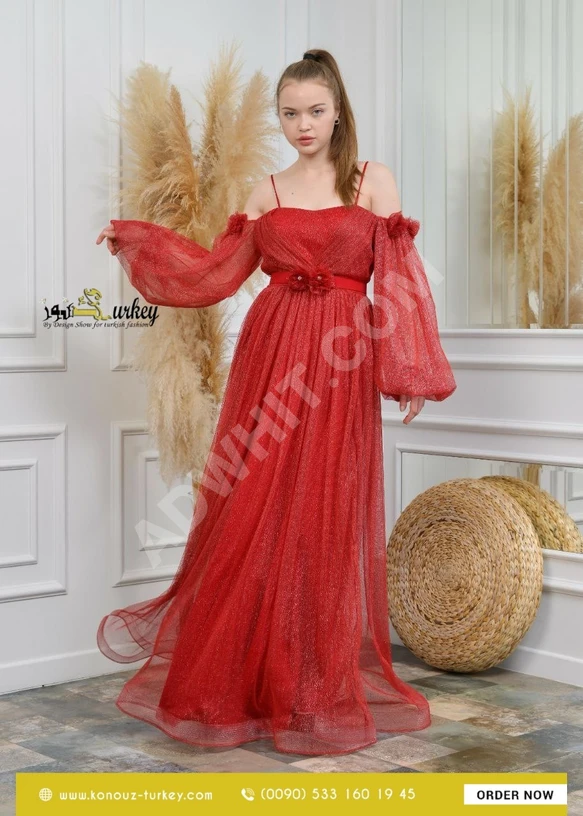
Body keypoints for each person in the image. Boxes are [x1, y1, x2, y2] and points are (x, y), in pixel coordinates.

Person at [95, 49, 456, 757]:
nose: (302, 124)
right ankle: (234, 686)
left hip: (339, 365)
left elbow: (399, 278)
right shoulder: (265, 192)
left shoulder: (371, 180)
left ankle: (310, 689)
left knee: (323, 515)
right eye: (290, 113)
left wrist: (409, 371)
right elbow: (211, 274)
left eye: (315, 111)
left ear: (338, 111)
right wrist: (134, 241)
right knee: (250, 508)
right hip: (271, 357)